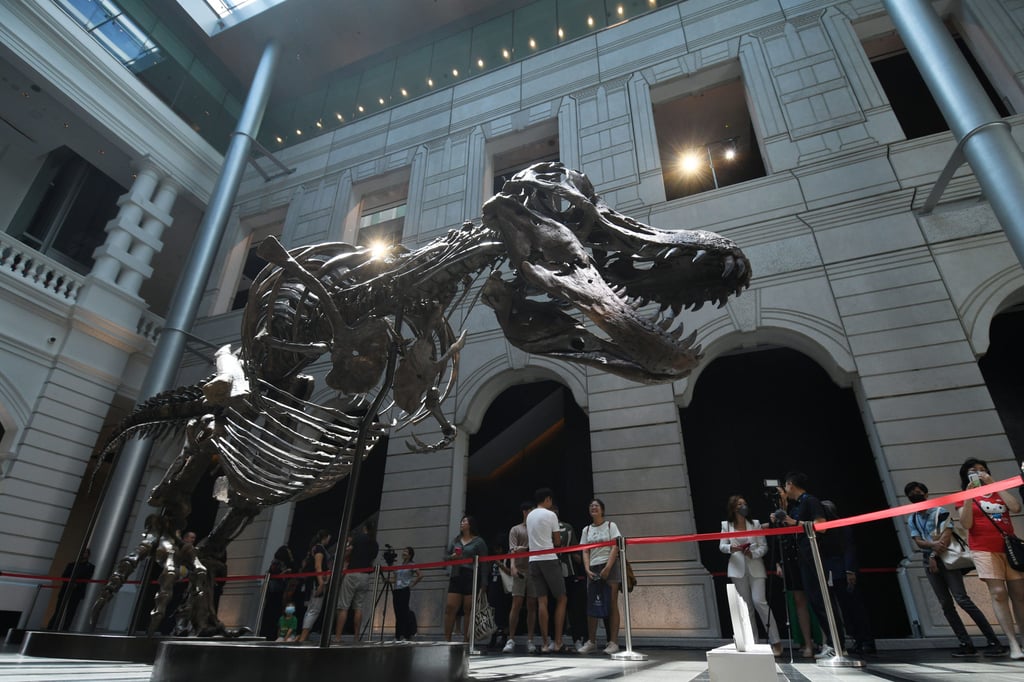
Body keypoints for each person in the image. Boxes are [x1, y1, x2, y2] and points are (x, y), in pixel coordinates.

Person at [905, 480, 1003, 657]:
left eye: (918, 492)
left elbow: (946, 538)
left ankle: (993, 640)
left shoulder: (940, 512)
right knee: (945, 604)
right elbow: (918, 541)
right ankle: (965, 642)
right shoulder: (912, 517)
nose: (915, 495)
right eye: (911, 493)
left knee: (962, 599)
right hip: (929, 561)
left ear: (926, 494)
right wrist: (932, 548)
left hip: (945, 559)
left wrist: (932, 553)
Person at [773, 472, 845, 658]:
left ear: (790, 484)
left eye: (786, 485)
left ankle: (837, 644)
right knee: (815, 600)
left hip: (815, 557)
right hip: (804, 558)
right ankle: (832, 643)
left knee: (823, 600)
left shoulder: (810, 501)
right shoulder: (797, 505)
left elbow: (822, 525)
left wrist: (795, 522)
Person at [956, 458, 1023, 659]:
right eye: (973, 471)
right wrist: (968, 496)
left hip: (1009, 548)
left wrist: (994, 484)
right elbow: (966, 524)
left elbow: (1016, 508)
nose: (979, 473)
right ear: (966, 475)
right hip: (983, 549)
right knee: (998, 593)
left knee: (1020, 594)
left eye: (982, 470)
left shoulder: (997, 491)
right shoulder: (963, 496)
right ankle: (1013, 644)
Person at [719, 495, 782, 656]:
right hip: (737, 569)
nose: (743, 506)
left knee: (760, 602)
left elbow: (764, 546)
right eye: (739, 504)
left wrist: (753, 554)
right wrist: (731, 548)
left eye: (745, 503)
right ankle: (753, 642)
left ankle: (776, 641)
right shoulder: (726, 525)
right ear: (733, 508)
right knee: (746, 608)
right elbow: (722, 546)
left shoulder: (755, 523)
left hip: (756, 567)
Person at [821, 500, 875, 655]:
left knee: (855, 607)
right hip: (831, 572)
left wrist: (850, 570)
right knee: (845, 609)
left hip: (843, 571)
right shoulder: (824, 529)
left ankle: (866, 641)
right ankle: (857, 639)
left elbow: (849, 549)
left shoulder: (841, 526)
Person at [576, 498, 623, 655]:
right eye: (591, 506)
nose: (593, 507)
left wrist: (608, 567)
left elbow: (615, 547)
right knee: (592, 604)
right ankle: (592, 641)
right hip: (593, 567)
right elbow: (585, 550)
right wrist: (587, 569)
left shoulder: (611, 526)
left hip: (610, 566)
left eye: (596, 505)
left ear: (602, 510)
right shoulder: (586, 529)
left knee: (612, 603)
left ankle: (613, 642)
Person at [527, 488, 568, 653]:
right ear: (548, 499)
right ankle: (558, 641)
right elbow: (557, 541)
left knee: (541, 601)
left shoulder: (530, 515)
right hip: (549, 558)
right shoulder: (551, 515)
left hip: (533, 560)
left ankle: (545, 644)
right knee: (562, 598)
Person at [444, 515, 487, 641]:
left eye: (464, 521)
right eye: (461, 521)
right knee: (450, 607)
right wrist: (452, 557)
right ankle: (447, 640)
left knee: (468, 609)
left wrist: (484, 583)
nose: (462, 523)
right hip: (456, 575)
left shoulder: (479, 542)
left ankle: (466, 641)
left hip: (470, 575)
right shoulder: (456, 540)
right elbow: (445, 557)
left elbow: (485, 563)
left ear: (470, 524)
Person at [334, 520, 379, 643]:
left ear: (364, 528)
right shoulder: (374, 543)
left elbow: (348, 552)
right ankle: (356, 637)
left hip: (352, 573)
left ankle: (337, 637)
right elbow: (372, 559)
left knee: (343, 606)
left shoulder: (358, 538)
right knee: (358, 607)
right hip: (365, 576)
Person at [503, 502, 539, 654]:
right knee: (516, 604)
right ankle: (511, 638)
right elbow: (512, 550)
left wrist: (522, 549)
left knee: (532, 605)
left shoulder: (536, 529)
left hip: (534, 569)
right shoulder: (516, 529)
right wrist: (512, 566)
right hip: (520, 569)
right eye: (529, 511)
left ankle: (530, 639)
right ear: (524, 512)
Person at [47, 547, 95, 631]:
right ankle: (51, 628)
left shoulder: (90, 567)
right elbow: (64, 576)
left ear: (88, 555)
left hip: (77, 592)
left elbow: (87, 578)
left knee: (71, 612)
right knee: (58, 610)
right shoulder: (71, 565)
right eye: (82, 552)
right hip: (66, 590)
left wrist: (76, 584)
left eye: (85, 553)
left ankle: (65, 629)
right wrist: (70, 583)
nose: (83, 554)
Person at [297, 529, 331, 642]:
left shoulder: (314, 548)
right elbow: (318, 566)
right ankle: (303, 637)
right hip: (316, 583)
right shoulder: (319, 549)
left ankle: (304, 636)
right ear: (325, 537)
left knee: (311, 609)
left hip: (312, 582)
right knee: (314, 610)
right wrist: (321, 583)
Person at [260, 544, 295, 639]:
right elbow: (277, 577)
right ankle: (269, 635)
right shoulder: (279, 563)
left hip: (273, 592)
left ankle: (267, 635)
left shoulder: (276, 563)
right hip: (276, 592)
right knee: (273, 615)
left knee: (271, 615)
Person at [390, 546, 421, 641]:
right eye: (403, 551)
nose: (404, 553)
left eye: (406, 551)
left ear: (410, 554)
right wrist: (388, 580)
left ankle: (404, 634)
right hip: (397, 590)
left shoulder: (412, 564)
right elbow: (395, 578)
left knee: (403, 612)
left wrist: (412, 585)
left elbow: (420, 575)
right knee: (397, 612)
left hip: (404, 590)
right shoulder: (400, 565)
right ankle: (397, 635)